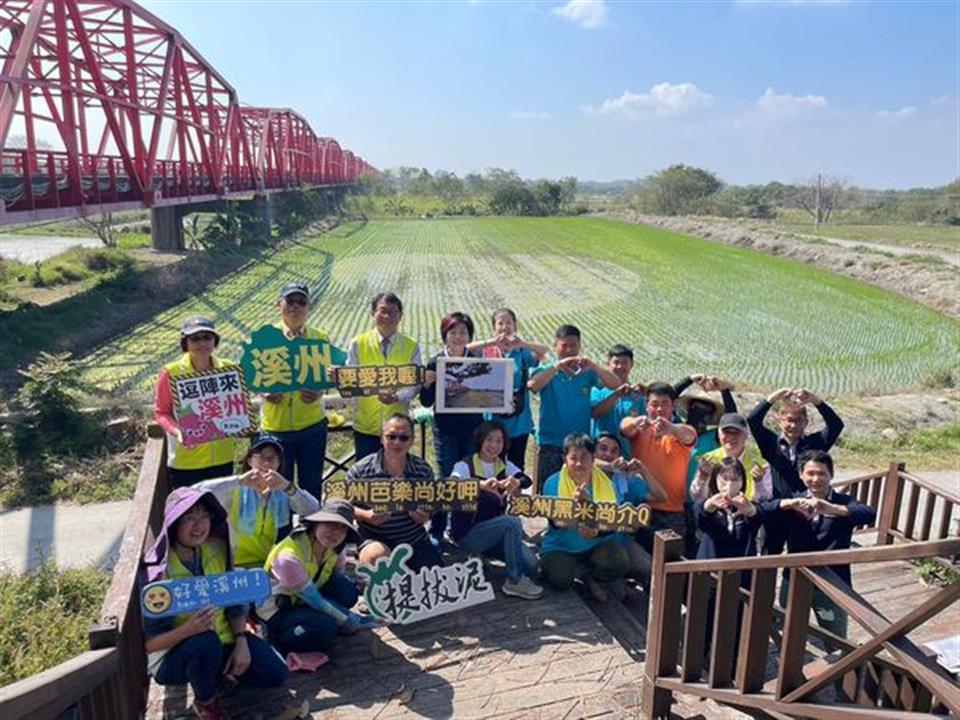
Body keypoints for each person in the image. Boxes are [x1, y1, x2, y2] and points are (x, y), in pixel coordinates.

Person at [142, 488, 287, 720]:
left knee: (275, 674)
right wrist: (187, 630)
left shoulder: (217, 549)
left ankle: (217, 674)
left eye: (204, 516)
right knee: (204, 642)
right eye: (189, 518)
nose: (199, 525)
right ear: (173, 523)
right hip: (174, 657)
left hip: (224, 641)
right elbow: (149, 645)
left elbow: (235, 603)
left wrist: (241, 641)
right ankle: (207, 702)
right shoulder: (158, 573)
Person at [769, 450, 875, 640]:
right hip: (795, 579)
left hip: (833, 581)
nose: (816, 479)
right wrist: (787, 504)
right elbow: (765, 511)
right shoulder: (794, 499)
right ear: (801, 475)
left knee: (835, 638)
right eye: (810, 473)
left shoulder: (843, 502)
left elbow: (870, 514)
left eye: (822, 473)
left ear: (831, 475)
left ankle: (838, 668)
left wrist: (832, 509)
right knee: (789, 633)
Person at [259, 500, 376, 657]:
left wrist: (360, 585)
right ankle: (281, 639)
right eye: (330, 524)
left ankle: (319, 622)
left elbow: (338, 577)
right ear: (315, 524)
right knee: (324, 628)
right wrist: (352, 618)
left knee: (347, 591)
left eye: (343, 528)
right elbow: (316, 601)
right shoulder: (288, 557)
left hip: (303, 599)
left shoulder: (335, 549)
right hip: (278, 610)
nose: (335, 532)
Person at [193, 435, 319, 569]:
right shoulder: (234, 489)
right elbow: (195, 492)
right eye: (261, 456)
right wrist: (238, 481)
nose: (266, 462)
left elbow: (313, 509)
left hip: (268, 565)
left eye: (273, 458)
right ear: (249, 460)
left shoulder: (282, 492)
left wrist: (288, 487)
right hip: (232, 565)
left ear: (279, 463)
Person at [259, 282, 336, 500]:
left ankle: (310, 531)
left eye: (301, 302)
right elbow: (250, 376)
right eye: (290, 301)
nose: (295, 307)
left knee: (310, 488)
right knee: (275, 491)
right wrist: (263, 392)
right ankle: (281, 533)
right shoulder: (264, 337)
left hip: (311, 426)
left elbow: (330, 375)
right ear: (278, 304)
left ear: (309, 307)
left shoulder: (320, 338)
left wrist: (320, 391)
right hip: (275, 428)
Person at [449, 421, 543, 600]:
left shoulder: (503, 465)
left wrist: (517, 482)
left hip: (494, 534)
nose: (493, 445)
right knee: (512, 522)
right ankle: (514, 581)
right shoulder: (465, 465)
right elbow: (451, 485)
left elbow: (526, 479)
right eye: (489, 440)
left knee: (531, 564)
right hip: (467, 533)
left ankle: (480, 557)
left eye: (499, 441)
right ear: (480, 441)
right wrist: (480, 485)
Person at [748, 387, 845, 555]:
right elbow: (753, 419)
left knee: (801, 557)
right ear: (780, 421)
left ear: (805, 422)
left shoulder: (814, 443)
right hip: (777, 507)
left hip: (805, 509)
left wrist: (815, 400)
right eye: (789, 420)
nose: (793, 425)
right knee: (767, 557)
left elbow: (836, 425)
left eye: (798, 420)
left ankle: (791, 582)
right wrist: (774, 396)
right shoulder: (771, 444)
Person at [528, 325, 621, 491]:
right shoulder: (547, 370)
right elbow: (533, 385)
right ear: (556, 346)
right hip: (550, 442)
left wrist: (594, 366)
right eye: (564, 346)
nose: (569, 350)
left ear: (579, 346)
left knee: (578, 492)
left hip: (579, 446)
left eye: (573, 345)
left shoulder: (586, 372)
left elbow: (615, 384)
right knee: (549, 493)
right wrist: (557, 366)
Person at [345, 414, 443, 571]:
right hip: (374, 538)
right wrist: (366, 516)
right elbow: (340, 507)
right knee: (377, 560)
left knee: (434, 578)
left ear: (412, 440)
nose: (397, 442)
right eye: (391, 436)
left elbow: (434, 504)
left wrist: (426, 514)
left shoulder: (423, 470)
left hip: (413, 538)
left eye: (404, 438)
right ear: (382, 439)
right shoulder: (360, 471)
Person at [540, 434, 630, 602]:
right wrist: (577, 506)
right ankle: (579, 571)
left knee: (620, 562)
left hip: (596, 544)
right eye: (573, 458)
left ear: (593, 458)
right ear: (564, 459)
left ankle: (591, 576)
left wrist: (596, 531)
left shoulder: (606, 483)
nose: (579, 463)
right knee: (560, 580)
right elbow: (555, 522)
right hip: (561, 546)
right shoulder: (552, 482)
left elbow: (614, 521)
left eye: (585, 457)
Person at [420, 312, 484, 545]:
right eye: (453, 332)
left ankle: (462, 528)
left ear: (470, 336)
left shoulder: (478, 361)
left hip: (472, 430)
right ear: (444, 336)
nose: (458, 337)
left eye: (463, 332)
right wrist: (427, 383)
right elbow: (426, 401)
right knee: (447, 477)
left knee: (468, 478)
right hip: (445, 430)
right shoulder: (435, 362)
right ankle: (437, 527)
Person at [154, 317, 239, 488]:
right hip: (186, 460)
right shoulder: (171, 372)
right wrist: (177, 431)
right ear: (185, 342)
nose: (202, 343)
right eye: (195, 339)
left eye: (207, 337)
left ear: (215, 341)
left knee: (220, 511)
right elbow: (161, 412)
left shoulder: (229, 368)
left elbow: (237, 405)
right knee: (189, 512)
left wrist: (242, 424)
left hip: (223, 457)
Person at [620, 382, 698, 554]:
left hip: (671, 512)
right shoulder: (640, 429)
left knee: (671, 563)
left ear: (673, 406)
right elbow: (624, 426)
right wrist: (635, 421)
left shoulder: (679, 431)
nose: (659, 409)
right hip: (640, 507)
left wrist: (670, 428)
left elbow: (689, 435)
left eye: (665, 403)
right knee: (641, 561)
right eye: (654, 404)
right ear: (646, 405)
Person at [347, 292, 422, 462]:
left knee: (395, 478)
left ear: (400, 316)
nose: (387, 316)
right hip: (366, 426)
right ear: (373, 314)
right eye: (382, 311)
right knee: (366, 479)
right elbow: (351, 380)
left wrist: (397, 397)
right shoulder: (358, 343)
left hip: (398, 432)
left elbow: (415, 383)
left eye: (393, 312)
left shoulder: (411, 346)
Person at [471, 308, 549, 472]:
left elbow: (544, 351)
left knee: (516, 465)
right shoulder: (487, 351)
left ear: (515, 326)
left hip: (519, 420)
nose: (505, 327)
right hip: (493, 419)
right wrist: (491, 342)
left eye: (509, 323)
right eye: (500, 323)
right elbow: (466, 349)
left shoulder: (521, 352)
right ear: (494, 327)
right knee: (491, 465)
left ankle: (514, 496)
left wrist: (522, 343)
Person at [593, 432, 666, 584]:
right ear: (593, 451)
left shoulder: (624, 479)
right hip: (592, 541)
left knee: (649, 568)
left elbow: (660, 496)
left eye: (614, 451)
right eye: (603, 448)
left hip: (621, 540)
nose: (608, 454)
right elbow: (588, 462)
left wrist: (644, 471)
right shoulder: (585, 473)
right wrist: (609, 466)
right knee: (616, 591)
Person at [693, 457, 763, 563]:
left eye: (735, 479)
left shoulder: (746, 505)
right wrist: (710, 505)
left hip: (741, 571)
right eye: (724, 479)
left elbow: (758, 515)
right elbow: (700, 514)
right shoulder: (709, 504)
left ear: (742, 481)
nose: (729, 484)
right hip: (709, 571)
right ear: (715, 480)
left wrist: (750, 511)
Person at [690, 413, 771, 503]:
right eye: (726, 432)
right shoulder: (708, 459)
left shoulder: (761, 464)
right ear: (719, 434)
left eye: (736, 432)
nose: (731, 436)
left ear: (746, 435)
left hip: (749, 513)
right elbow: (697, 497)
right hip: (715, 513)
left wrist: (759, 483)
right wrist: (702, 477)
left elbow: (765, 500)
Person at [590, 345, 646, 455]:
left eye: (625, 362)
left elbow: (642, 428)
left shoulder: (638, 395)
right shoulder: (598, 390)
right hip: (600, 455)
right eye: (616, 362)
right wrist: (616, 395)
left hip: (627, 456)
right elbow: (594, 413)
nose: (620, 366)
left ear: (631, 365)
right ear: (608, 365)